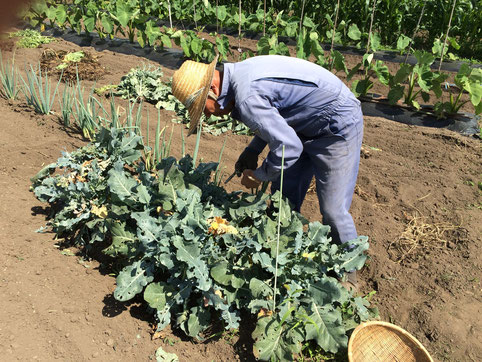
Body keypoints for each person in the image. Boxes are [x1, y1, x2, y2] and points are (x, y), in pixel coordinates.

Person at [171, 54, 363, 291]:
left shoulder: (246, 96)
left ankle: (350, 272)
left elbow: (288, 146)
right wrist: (254, 149)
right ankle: (282, 251)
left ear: (213, 88)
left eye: (204, 108)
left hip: (336, 123)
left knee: (333, 210)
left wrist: (260, 175)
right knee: (283, 198)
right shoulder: (240, 75)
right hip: (301, 125)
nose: (208, 115)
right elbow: (277, 113)